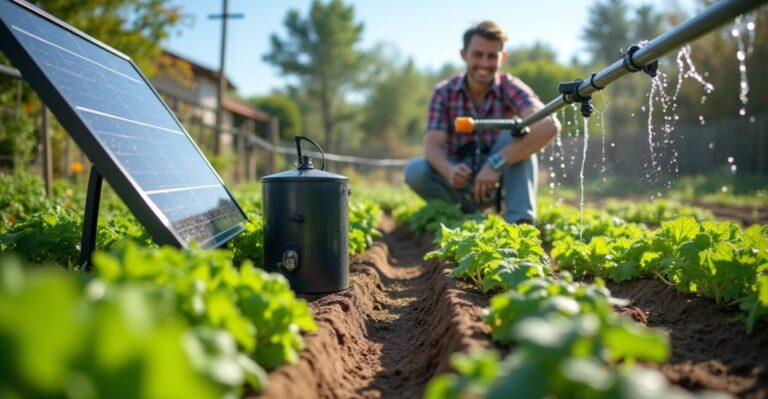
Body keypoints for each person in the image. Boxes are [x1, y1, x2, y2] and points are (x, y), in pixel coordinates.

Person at [404, 20, 560, 224]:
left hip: (500, 178)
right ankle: (461, 216)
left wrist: (495, 165)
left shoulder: (510, 87)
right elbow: (433, 147)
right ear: (464, 54)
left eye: (492, 56)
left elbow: (549, 125)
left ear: (502, 57)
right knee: (416, 170)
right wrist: (449, 169)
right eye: (478, 55)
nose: (485, 64)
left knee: (518, 133)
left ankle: (520, 225)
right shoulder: (443, 93)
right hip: (460, 179)